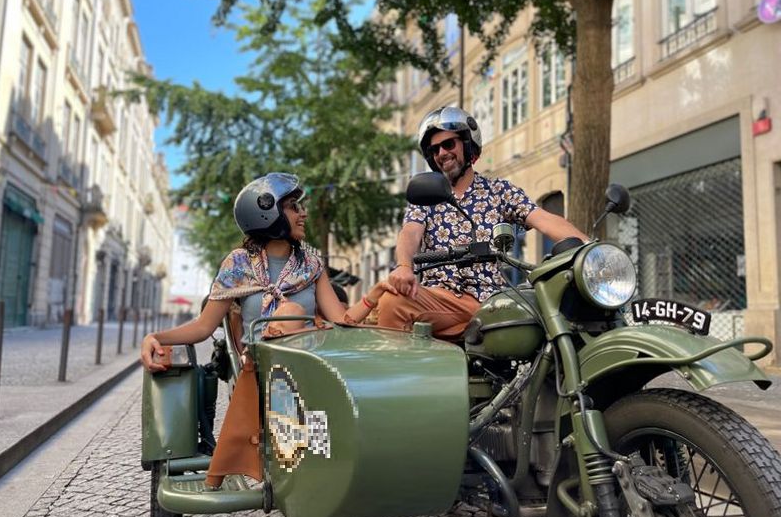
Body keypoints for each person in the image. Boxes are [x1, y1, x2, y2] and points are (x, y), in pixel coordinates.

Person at [140, 172, 396, 488]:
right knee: (290, 311)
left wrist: (377, 292)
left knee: (301, 318)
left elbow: (341, 319)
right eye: (292, 206)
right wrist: (155, 338)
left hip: (309, 366)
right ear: (267, 213)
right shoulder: (238, 263)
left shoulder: (312, 263)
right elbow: (204, 326)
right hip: (258, 371)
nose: (303, 213)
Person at [377, 105, 587, 340]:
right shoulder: (427, 197)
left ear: (467, 144)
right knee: (392, 302)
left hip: (491, 301)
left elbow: (544, 219)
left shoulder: (498, 190)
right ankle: (402, 374)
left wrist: (588, 247)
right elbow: (410, 232)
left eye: (448, 144)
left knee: (555, 317)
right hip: (440, 299)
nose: (441, 153)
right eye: (434, 149)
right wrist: (404, 265)